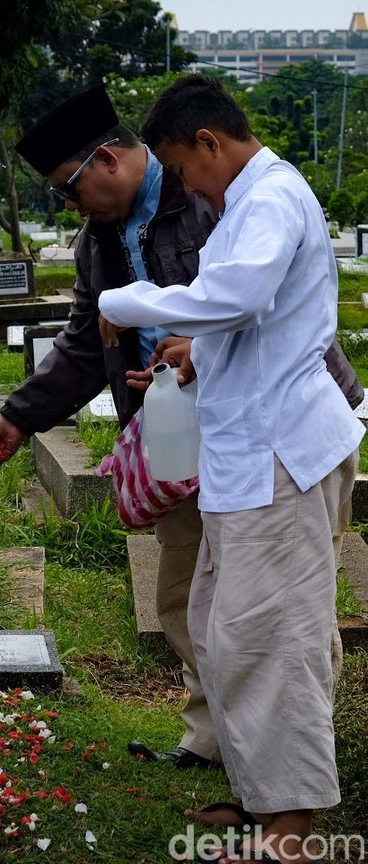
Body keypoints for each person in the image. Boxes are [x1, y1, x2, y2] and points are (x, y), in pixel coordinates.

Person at [0, 84, 363, 773]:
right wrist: (18, 417)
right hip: (182, 440)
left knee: (284, 606)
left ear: (109, 161)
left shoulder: (220, 195)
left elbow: (257, 314)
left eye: (71, 187)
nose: (73, 205)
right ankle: (220, 740)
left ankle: (296, 750)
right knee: (188, 595)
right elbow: (89, 343)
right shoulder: (101, 239)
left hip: (272, 435)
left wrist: (198, 363)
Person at [98, 74, 365, 864]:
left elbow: (241, 295)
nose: (186, 186)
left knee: (270, 635)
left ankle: (291, 826)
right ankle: (264, 797)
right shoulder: (250, 200)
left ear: (209, 143)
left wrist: (128, 302)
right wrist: (196, 348)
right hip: (248, 455)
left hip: (279, 453)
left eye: (182, 169)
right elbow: (257, 320)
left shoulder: (272, 195)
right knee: (224, 624)